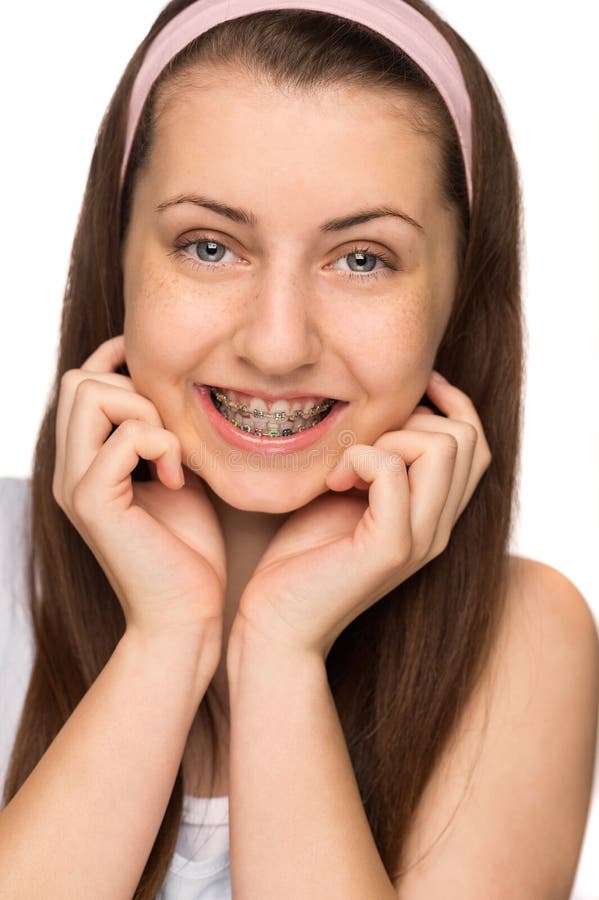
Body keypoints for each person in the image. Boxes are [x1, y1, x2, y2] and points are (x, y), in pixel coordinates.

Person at [0, 0, 597, 897]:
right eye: (209, 246)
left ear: (457, 300)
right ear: (111, 259)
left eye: (362, 259)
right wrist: (167, 639)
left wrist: (279, 649)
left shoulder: (519, 638)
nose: (277, 345)